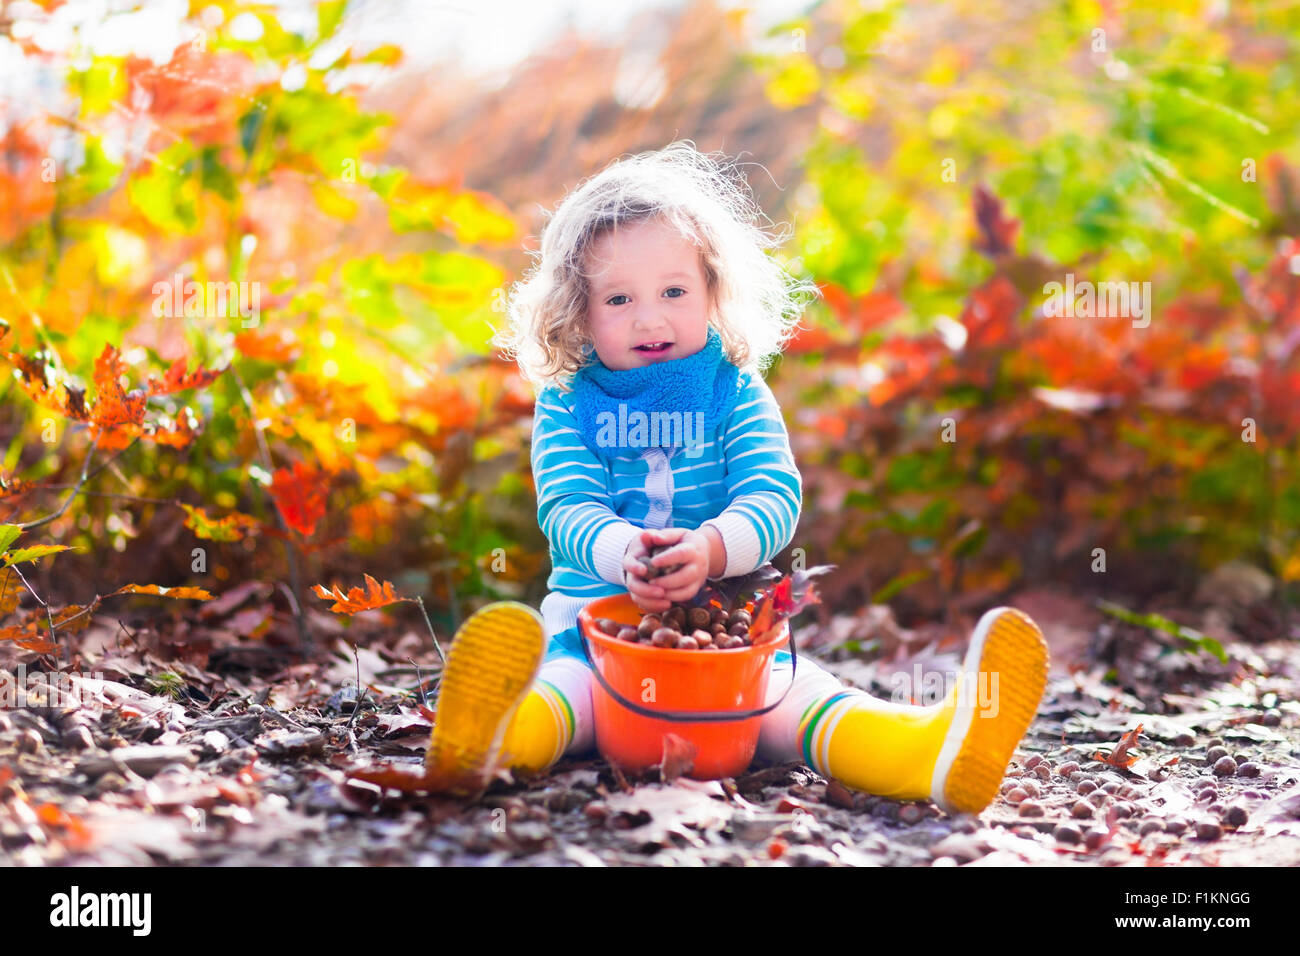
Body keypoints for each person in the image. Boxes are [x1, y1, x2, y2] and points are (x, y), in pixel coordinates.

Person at [424, 141, 1049, 814]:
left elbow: (772, 495)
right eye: (618, 299)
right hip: (597, 634)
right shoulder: (569, 400)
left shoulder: (735, 391)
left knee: (796, 697)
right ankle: (487, 743)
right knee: (565, 694)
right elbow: (568, 508)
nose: (650, 317)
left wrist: (714, 548)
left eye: (673, 291)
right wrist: (624, 551)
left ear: (713, 289)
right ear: (578, 310)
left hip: (727, 639)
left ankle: (924, 752)